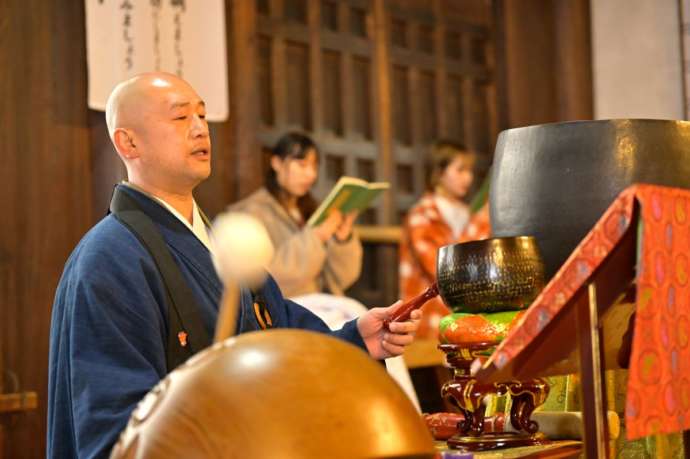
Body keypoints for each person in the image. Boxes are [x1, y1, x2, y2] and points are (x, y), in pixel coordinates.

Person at [47, 73, 420, 459]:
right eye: (180, 118)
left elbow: (278, 333)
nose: (199, 129)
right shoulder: (109, 258)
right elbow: (118, 432)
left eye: (203, 116)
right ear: (128, 142)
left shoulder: (216, 241)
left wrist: (357, 340)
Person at [230, 132, 362, 297]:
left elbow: (342, 279)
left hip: (323, 304)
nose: (311, 175)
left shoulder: (312, 208)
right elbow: (267, 279)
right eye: (302, 165)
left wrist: (342, 240)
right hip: (287, 312)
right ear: (276, 163)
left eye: (314, 166)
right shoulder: (251, 213)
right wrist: (316, 237)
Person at [399, 141, 490, 339]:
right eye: (460, 170)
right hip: (431, 318)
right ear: (439, 173)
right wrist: (482, 223)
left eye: (470, 171)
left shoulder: (466, 213)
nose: (469, 177)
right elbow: (444, 271)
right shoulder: (422, 215)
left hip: (462, 316)